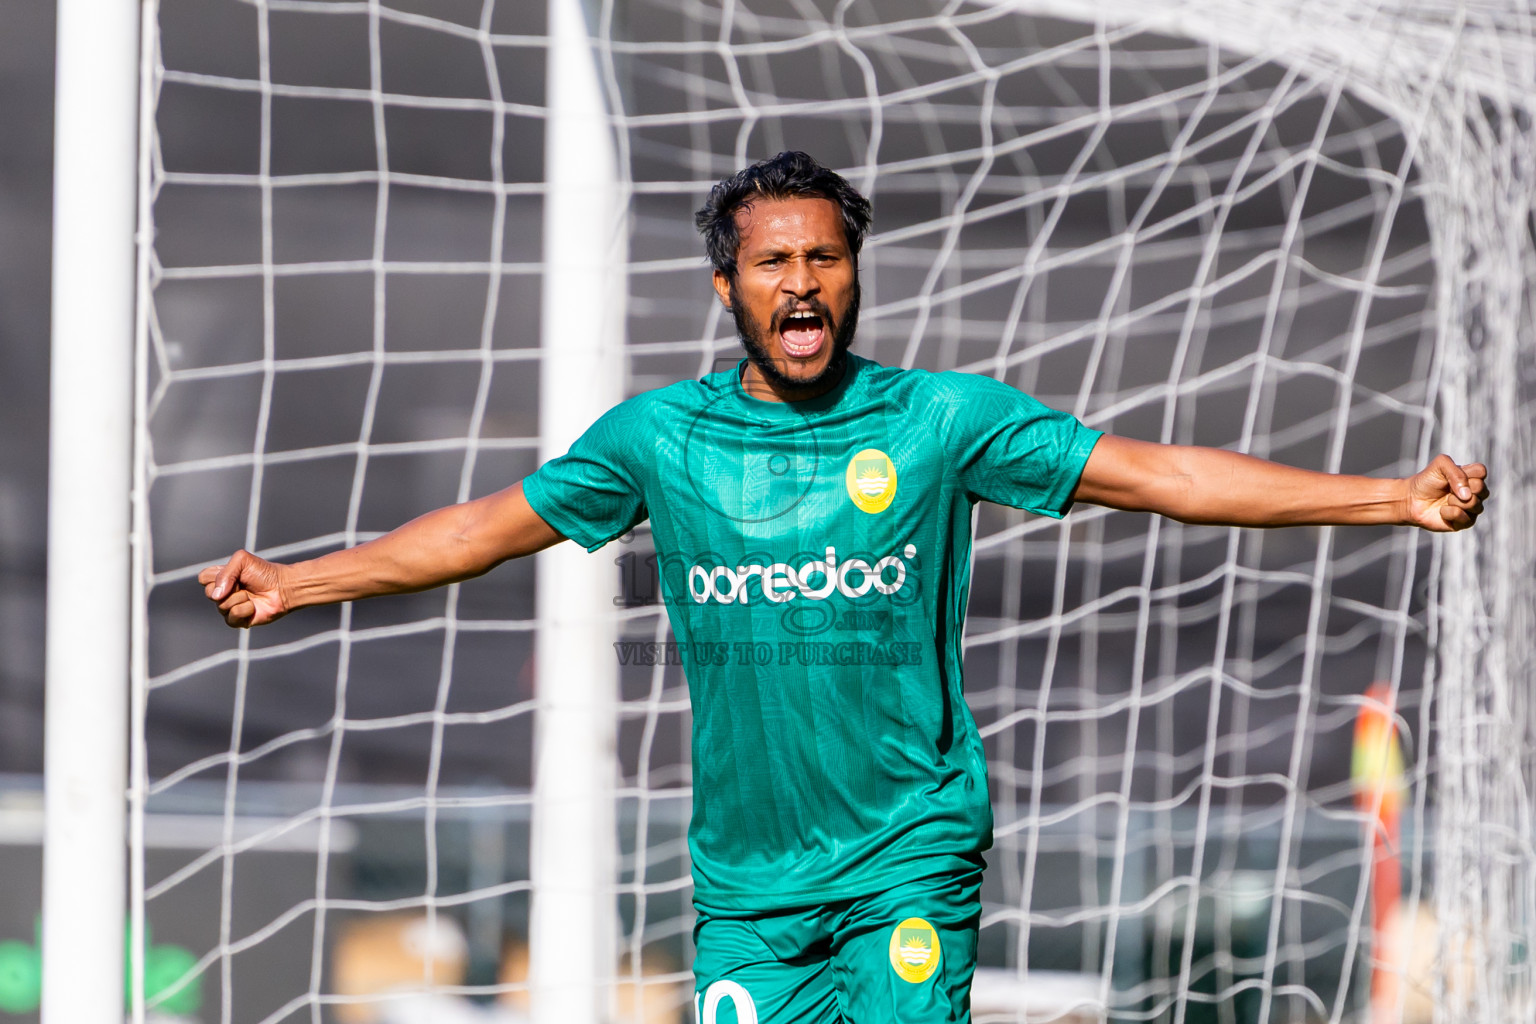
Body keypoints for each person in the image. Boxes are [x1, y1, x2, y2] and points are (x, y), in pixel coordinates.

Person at [199, 151, 1488, 1023]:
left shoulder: (938, 421)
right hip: (751, 890)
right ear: (729, 286)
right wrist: (300, 586)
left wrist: (1384, 497)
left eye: (824, 259)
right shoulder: (659, 439)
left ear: (851, 274)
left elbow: (1156, 475)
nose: (802, 283)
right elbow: (482, 529)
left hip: (905, 854)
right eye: (773, 264)